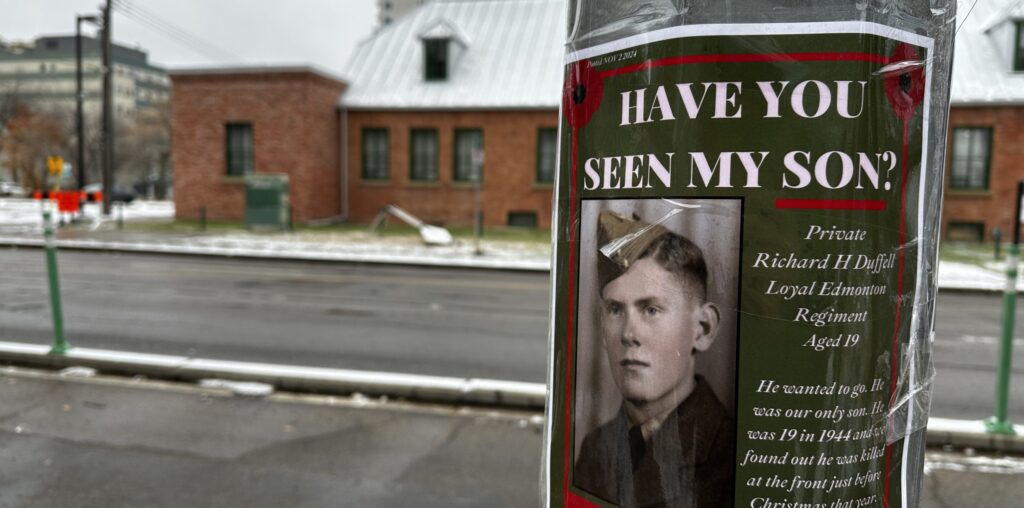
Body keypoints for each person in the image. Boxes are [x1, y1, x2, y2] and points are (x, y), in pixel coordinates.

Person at [575, 210, 735, 508]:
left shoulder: (732, 453)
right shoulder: (595, 447)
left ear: (703, 328)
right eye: (615, 310)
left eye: (651, 310)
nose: (628, 334)